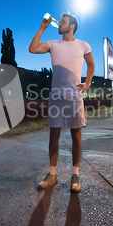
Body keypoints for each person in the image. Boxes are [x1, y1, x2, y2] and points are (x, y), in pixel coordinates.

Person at [28, 12, 95, 193]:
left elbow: (91, 64)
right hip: (56, 97)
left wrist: (87, 83)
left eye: (62, 22)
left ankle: (75, 175)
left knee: (76, 137)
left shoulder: (83, 45)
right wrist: (42, 28)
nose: (59, 24)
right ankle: (52, 175)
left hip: (74, 97)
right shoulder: (53, 44)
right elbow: (32, 49)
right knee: (54, 136)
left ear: (71, 26)